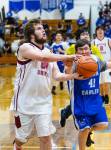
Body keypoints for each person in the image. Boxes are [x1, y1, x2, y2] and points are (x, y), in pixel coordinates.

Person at [10, 19, 82, 150]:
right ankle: (17, 144)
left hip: (43, 102)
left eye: (43, 28)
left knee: (46, 137)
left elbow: (57, 75)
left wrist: (73, 76)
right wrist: (67, 57)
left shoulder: (48, 52)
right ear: (31, 34)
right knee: (21, 138)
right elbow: (43, 58)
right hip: (23, 103)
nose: (43, 30)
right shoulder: (25, 48)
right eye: (38, 28)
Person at [65, 39, 111, 150]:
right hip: (80, 102)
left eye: (86, 49)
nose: (84, 52)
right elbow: (66, 71)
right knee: (83, 129)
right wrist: (69, 67)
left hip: (95, 100)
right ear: (76, 51)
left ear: (90, 49)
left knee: (103, 124)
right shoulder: (73, 63)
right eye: (80, 49)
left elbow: (107, 65)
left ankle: (88, 132)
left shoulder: (95, 60)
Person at [60, 29, 104, 147]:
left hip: (90, 82)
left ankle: (87, 133)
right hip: (75, 81)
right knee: (77, 103)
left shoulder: (93, 50)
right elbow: (66, 63)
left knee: (95, 123)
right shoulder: (71, 49)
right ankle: (65, 113)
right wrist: (70, 64)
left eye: (87, 35)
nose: (85, 36)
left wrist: (93, 64)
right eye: (83, 35)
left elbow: (100, 62)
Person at [91, 25, 111, 105]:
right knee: (100, 83)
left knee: (106, 82)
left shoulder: (108, 40)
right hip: (97, 64)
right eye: (98, 30)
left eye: (101, 29)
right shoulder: (93, 42)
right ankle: (101, 96)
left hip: (107, 64)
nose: (100, 31)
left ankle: (106, 95)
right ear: (96, 32)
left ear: (104, 31)